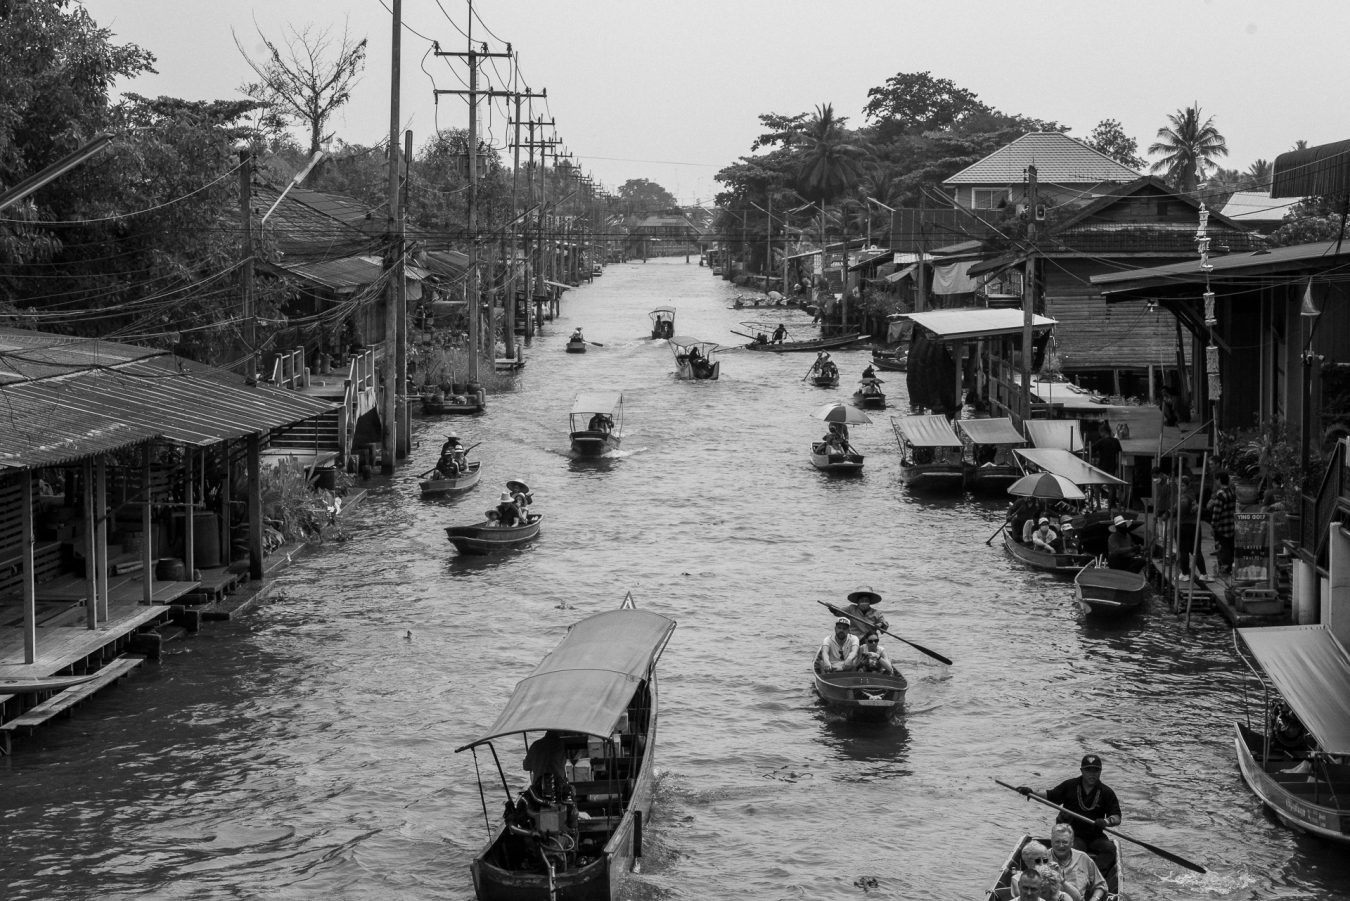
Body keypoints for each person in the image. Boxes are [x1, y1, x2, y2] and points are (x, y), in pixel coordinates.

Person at [1020, 754, 1122, 876]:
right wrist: (1032, 793)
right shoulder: (1069, 786)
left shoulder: (1107, 792)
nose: (1092, 774)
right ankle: (1071, 876)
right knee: (1073, 851)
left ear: (1100, 772)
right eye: (1088, 770)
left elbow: (1116, 817)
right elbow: (1051, 795)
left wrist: (1106, 822)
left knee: (1110, 849)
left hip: (1095, 836)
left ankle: (1095, 877)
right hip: (1073, 835)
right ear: (1082, 771)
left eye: (1095, 770)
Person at [1048, 823, 1109, 901]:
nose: (1061, 845)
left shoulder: (1083, 858)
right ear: (1051, 842)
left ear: (1072, 843)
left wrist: (1094, 898)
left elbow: (1101, 885)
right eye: (1057, 842)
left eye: (1065, 842)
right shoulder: (1042, 858)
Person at [522, 729, 573, 802]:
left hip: (538, 789)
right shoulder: (561, 744)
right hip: (558, 787)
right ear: (560, 732)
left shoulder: (535, 744)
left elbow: (526, 766)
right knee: (570, 790)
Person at [1176, 474, 1208, 582]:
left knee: (1184, 550)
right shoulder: (1192, 495)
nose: (1180, 487)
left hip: (1185, 526)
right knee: (1196, 550)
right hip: (1195, 526)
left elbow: (1182, 508)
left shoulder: (1185, 497)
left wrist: (1172, 511)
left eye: (1182, 485)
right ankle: (1203, 573)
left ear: (1186, 485)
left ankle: (1185, 573)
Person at [1207, 471, 1236, 575]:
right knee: (1230, 547)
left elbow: (1217, 512)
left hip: (1222, 527)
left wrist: (1213, 526)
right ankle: (1231, 568)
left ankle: (1225, 569)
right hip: (1231, 525)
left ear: (1219, 480)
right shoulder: (1232, 492)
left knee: (1222, 549)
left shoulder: (1220, 495)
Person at [1091, 423, 1122, 505]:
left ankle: (1098, 506)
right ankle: (1109, 506)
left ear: (1103, 432)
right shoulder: (1115, 441)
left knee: (1096, 487)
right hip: (1112, 468)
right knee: (1111, 487)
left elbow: (1091, 450)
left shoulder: (1101, 442)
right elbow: (1119, 454)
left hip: (1102, 468)